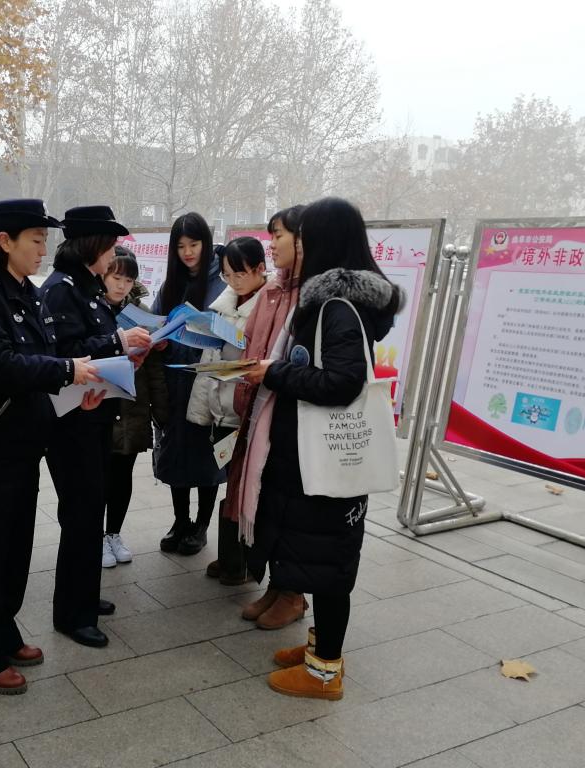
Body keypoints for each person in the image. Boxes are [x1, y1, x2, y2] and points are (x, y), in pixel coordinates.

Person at [241, 197, 404, 699]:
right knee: (321, 559)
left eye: (304, 236)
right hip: (315, 462)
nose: (297, 244)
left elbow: (342, 382)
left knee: (330, 569)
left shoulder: (337, 307)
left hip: (329, 463)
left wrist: (276, 373)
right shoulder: (335, 302)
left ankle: (325, 672)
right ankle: (320, 649)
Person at [0, 199, 102, 694]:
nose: (43, 249)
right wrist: (68, 371)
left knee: (14, 550)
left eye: (45, 240)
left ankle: (4, 631)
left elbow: (43, 360)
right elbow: (2, 365)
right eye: (35, 239)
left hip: (23, 443)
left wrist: (76, 389)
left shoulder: (27, 292)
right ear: (5, 241)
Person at [41, 206, 152, 648]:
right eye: (109, 248)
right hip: (74, 421)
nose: (112, 258)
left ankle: (85, 595)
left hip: (96, 414)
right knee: (81, 515)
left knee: (92, 511)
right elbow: (65, 351)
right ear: (91, 246)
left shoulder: (85, 287)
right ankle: (72, 614)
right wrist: (117, 342)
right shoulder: (61, 289)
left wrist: (127, 356)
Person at [227, 206, 312, 631]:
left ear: (302, 239)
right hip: (260, 407)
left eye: (278, 235)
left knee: (289, 506)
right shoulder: (274, 290)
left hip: (291, 416)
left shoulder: (312, 294)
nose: (271, 244)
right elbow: (250, 347)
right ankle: (278, 586)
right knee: (266, 502)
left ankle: (293, 593)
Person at [187, 237, 269, 584]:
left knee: (248, 487)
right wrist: (202, 411)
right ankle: (230, 559)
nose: (233, 282)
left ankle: (245, 564)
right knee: (231, 484)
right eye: (226, 275)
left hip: (250, 410)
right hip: (223, 409)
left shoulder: (269, 306)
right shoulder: (223, 305)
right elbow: (210, 359)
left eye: (240, 274)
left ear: (260, 269)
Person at [151, 213, 226, 556]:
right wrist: (156, 339)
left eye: (194, 244)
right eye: (180, 246)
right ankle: (180, 520)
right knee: (175, 452)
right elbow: (157, 324)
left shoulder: (222, 283)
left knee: (207, 456)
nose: (188, 253)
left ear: (206, 243)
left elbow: (234, 334)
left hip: (206, 382)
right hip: (173, 381)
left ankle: (201, 525)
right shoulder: (171, 285)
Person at [101, 246, 169, 568]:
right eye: (116, 277)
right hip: (101, 404)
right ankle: (96, 537)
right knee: (99, 476)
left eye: (128, 280)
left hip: (132, 406)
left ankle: (113, 533)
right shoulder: (92, 310)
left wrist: (161, 411)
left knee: (123, 474)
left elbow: (154, 368)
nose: (121, 285)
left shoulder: (142, 314)